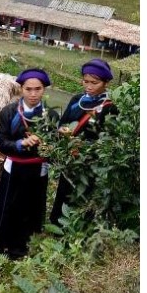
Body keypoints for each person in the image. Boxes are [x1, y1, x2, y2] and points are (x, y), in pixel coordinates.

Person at [0, 69, 54, 258]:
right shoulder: (9, 112)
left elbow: (55, 149)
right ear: (21, 89)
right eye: (28, 89)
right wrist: (20, 143)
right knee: (6, 207)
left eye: (38, 89)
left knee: (28, 209)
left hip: (37, 170)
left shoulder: (51, 116)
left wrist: (49, 147)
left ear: (44, 89)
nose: (33, 94)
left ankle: (18, 251)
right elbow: (1, 142)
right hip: (13, 168)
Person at [49, 58, 118, 227]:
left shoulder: (109, 107)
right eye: (85, 81)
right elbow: (63, 122)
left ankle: (75, 231)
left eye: (94, 83)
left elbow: (108, 139)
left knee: (81, 196)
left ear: (106, 83)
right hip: (69, 160)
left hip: (88, 163)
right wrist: (62, 131)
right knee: (63, 192)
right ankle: (56, 226)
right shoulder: (76, 99)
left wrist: (85, 146)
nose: (89, 86)